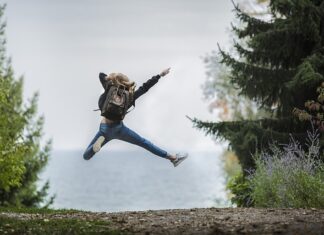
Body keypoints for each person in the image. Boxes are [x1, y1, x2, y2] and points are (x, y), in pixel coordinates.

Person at [83, 68, 188, 167]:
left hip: (104, 129)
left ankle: (94, 148)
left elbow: (101, 75)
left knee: (86, 156)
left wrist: (113, 78)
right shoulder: (129, 96)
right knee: (144, 143)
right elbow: (145, 87)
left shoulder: (109, 88)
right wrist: (160, 75)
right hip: (119, 129)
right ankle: (173, 158)